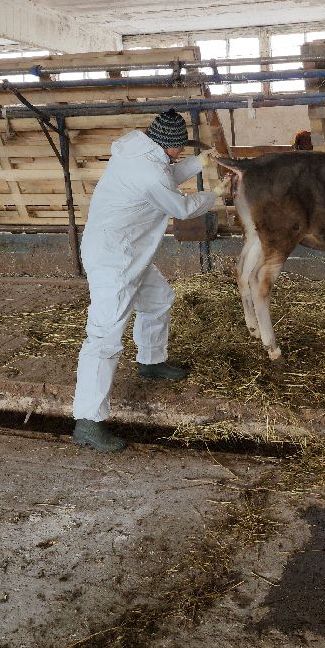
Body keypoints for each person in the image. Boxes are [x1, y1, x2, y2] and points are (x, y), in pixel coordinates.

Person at [72, 109, 227, 452]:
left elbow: (166, 174)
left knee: (159, 300)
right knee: (103, 337)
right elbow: (182, 208)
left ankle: (151, 361)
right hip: (114, 259)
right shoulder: (150, 171)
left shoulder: (140, 151)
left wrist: (199, 162)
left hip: (128, 252)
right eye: (180, 148)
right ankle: (87, 421)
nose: (180, 153)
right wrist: (216, 194)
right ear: (169, 145)